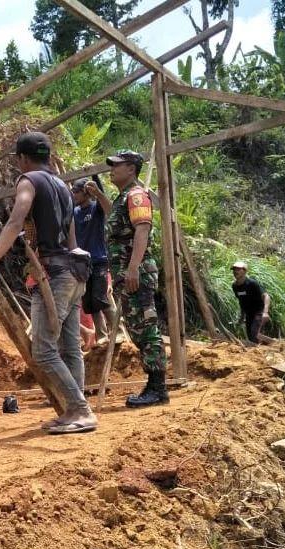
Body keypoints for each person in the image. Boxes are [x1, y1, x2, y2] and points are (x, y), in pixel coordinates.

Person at [0, 131, 96, 434]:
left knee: (44, 350)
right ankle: (74, 407)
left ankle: (80, 410)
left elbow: (16, 220)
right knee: (70, 347)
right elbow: (72, 239)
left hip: (54, 273)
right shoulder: (62, 186)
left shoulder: (28, 181)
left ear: (22, 159)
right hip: (74, 270)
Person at [103, 150, 169, 407]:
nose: (112, 169)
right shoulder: (122, 198)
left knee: (146, 327)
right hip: (127, 274)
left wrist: (133, 267)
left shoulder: (136, 196)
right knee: (138, 328)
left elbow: (142, 231)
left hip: (136, 273)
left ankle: (158, 388)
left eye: (116, 166)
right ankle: (154, 385)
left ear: (131, 169)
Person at [71, 177, 116, 343]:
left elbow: (104, 200)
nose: (74, 194)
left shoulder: (96, 209)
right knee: (89, 302)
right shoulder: (75, 212)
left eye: (76, 191)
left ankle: (116, 330)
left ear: (86, 192)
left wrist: (96, 179)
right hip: (83, 262)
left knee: (100, 297)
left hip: (99, 260)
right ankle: (102, 335)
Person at [231, 261, 273, 345]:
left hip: (259, 312)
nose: (236, 271)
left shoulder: (251, 283)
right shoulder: (235, 286)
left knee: (255, 334)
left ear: (245, 271)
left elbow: (266, 296)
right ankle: (258, 352)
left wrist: (265, 312)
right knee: (250, 336)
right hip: (249, 314)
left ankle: (261, 353)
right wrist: (242, 317)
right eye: (234, 269)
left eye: (238, 269)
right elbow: (241, 302)